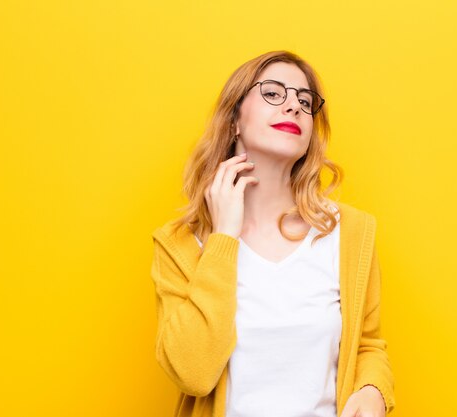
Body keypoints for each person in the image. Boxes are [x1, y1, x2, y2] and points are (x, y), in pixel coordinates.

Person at [150, 50, 396, 417]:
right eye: (272, 93)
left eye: (305, 101)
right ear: (234, 119)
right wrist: (223, 240)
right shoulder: (181, 244)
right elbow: (193, 374)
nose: (293, 107)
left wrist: (374, 389)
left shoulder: (349, 233)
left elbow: (367, 344)